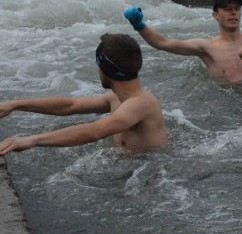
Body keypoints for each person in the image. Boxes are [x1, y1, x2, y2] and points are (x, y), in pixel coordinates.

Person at [0, 34, 167, 155]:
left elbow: (96, 131)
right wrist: (16, 105)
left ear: (104, 69)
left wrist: (33, 140)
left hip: (150, 178)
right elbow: (71, 105)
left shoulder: (140, 104)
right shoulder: (117, 97)